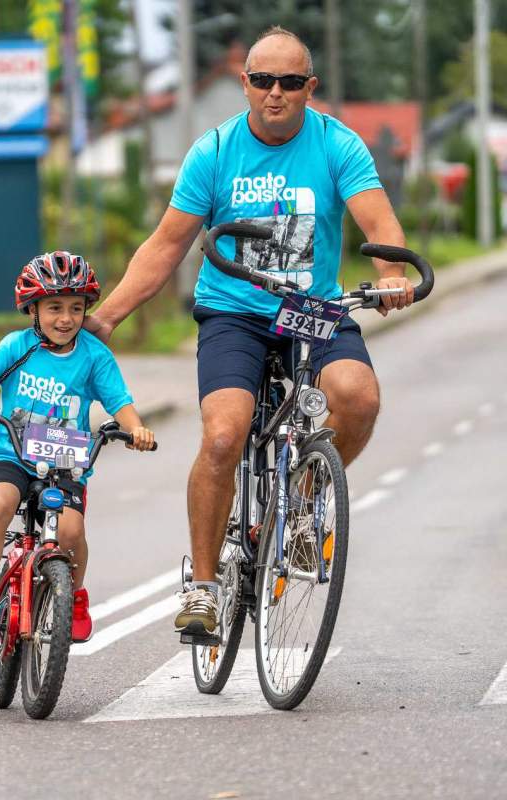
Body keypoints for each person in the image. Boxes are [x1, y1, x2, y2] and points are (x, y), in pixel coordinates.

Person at [85, 26, 414, 637]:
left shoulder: (337, 144)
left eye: (291, 83)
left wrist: (390, 272)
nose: (276, 94)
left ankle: (305, 508)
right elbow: (166, 245)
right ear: (245, 84)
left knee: (359, 397)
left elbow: (377, 216)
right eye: (263, 80)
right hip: (233, 311)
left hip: (311, 308)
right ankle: (205, 587)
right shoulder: (213, 153)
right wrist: (106, 316)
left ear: (309, 88)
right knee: (223, 436)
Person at [0, 251, 155, 643]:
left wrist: (137, 430)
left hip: (66, 462)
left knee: (72, 530)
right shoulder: (17, 346)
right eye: (55, 307)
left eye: (76, 308)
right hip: (10, 453)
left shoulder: (95, 356)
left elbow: (120, 404)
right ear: (33, 309)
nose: (66, 318)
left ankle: (74, 597)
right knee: (1, 503)